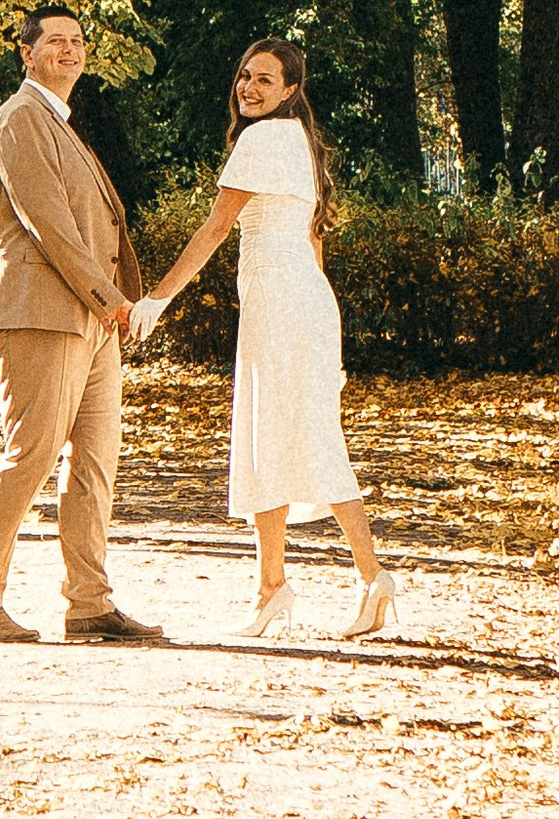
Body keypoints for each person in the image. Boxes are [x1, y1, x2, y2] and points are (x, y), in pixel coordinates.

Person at [143, 34, 399, 639]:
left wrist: (158, 298)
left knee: (287, 435)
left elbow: (213, 230)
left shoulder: (264, 139)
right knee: (285, 435)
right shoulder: (299, 143)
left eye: (265, 80)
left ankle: (344, 580)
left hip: (283, 304)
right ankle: (294, 582)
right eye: (245, 77)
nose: (250, 88)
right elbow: (315, 243)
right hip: (303, 301)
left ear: (290, 91)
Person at [0, 5, 165, 645]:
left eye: (76, 41)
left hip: (91, 319)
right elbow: (48, 224)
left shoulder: (59, 120)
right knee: (31, 453)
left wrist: (110, 304)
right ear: (26, 53)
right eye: (54, 41)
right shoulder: (20, 118)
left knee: (96, 461)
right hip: (39, 313)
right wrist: (112, 298)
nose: (69, 50)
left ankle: (89, 604)